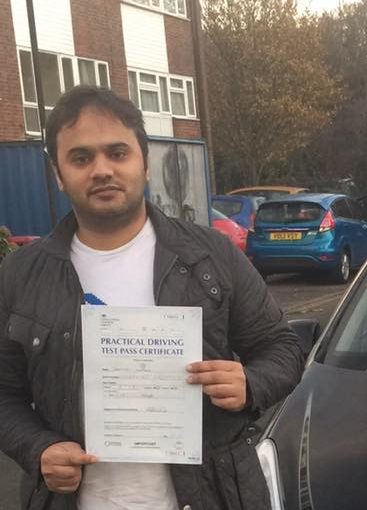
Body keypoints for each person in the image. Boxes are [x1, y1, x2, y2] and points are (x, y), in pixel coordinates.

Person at [0, 86, 305, 510]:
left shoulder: (210, 255)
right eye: (81, 157)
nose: (101, 170)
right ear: (58, 173)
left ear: (145, 163)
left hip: (211, 496)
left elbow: (283, 348)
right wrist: (37, 449)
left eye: (117, 152)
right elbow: (4, 394)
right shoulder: (21, 274)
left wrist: (249, 383)